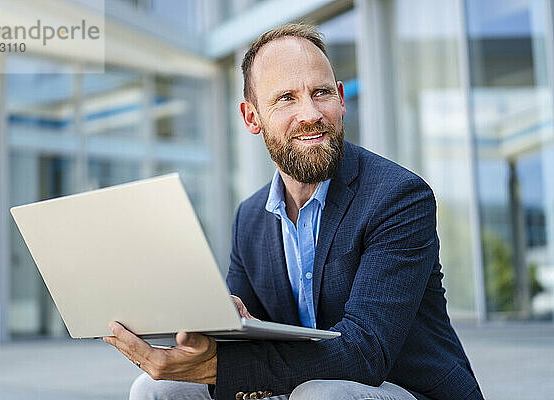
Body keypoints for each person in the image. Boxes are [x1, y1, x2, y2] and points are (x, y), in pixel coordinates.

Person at [103, 24, 484, 400]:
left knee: (320, 395)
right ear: (252, 117)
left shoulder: (399, 197)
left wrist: (218, 368)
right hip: (303, 383)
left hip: (408, 388)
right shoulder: (249, 217)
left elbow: (365, 352)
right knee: (156, 389)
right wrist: (207, 328)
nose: (310, 113)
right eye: (286, 98)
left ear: (341, 98)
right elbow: (239, 333)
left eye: (321, 93)